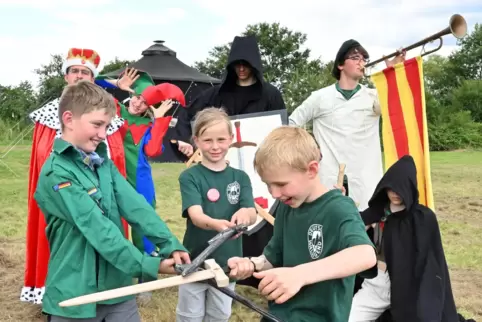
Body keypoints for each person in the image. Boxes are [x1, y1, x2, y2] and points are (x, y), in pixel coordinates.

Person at [33, 80, 190, 321]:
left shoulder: (102, 163)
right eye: (97, 124)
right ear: (68, 118)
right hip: (75, 293)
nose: (102, 134)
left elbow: (136, 207)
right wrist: (150, 265)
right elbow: (97, 229)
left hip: (117, 289)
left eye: (106, 126)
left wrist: (170, 244)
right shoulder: (57, 173)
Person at [227, 126, 377, 322]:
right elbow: (273, 258)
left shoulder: (339, 208)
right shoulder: (287, 207)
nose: (274, 194)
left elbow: (365, 255)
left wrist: (300, 275)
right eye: (268, 185)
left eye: (281, 184)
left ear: (312, 170)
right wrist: (252, 263)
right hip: (278, 316)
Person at [21, 47, 135, 305]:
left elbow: (114, 157)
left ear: (92, 78)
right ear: (66, 76)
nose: (80, 76)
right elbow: (43, 158)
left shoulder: (109, 117)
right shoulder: (49, 115)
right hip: (62, 193)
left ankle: (104, 288)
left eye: (85, 72)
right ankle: (56, 292)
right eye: (74, 71)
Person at [288, 39, 405, 211]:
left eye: (364, 58)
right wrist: (310, 146)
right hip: (329, 178)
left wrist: (392, 71)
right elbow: (291, 123)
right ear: (341, 65)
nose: (361, 62)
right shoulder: (320, 97)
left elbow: (395, 102)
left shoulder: (373, 96)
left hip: (365, 180)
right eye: (356, 57)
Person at [349, 155, 458, 322]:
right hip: (376, 284)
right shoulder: (377, 212)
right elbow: (350, 229)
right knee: (350, 317)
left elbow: (430, 262)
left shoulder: (422, 218)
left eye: (400, 189)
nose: (395, 194)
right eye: (391, 189)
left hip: (407, 290)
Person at [176, 107, 257, 322]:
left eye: (221, 140)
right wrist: (216, 225)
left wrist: (244, 214)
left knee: (219, 315)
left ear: (231, 139)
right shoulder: (190, 176)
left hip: (228, 264)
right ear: (196, 140)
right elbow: (196, 216)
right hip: (195, 261)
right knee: (189, 316)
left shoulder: (241, 177)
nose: (215, 147)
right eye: (207, 140)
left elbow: (252, 212)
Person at [173, 34, 287, 156]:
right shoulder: (217, 94)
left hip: (260, 159)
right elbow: (188, 114)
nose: (241, 69)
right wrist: (185, 140)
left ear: (254, 65)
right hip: (222, 160)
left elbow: (282, 130)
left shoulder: (270, 95)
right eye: (237, 64)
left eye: (245, 64)